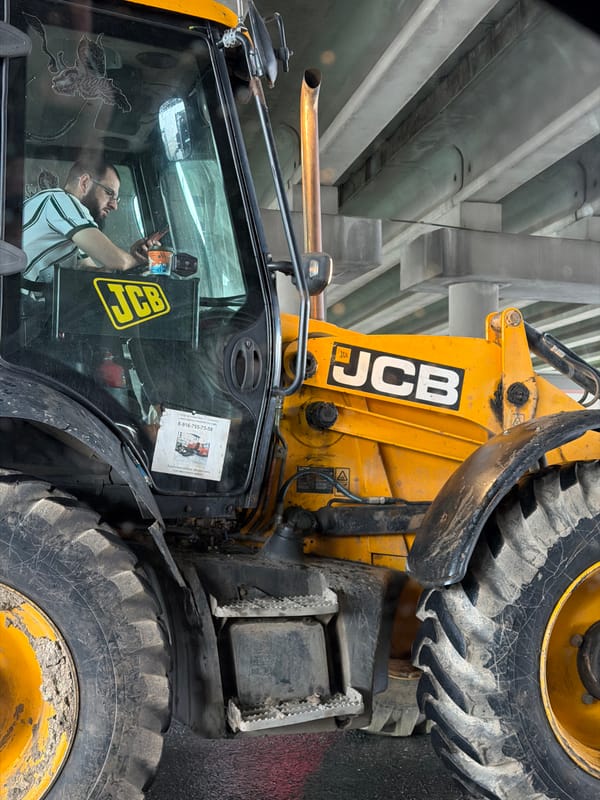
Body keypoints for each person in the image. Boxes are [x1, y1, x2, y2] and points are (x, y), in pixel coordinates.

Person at [22, 156, 165, 285]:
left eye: (116, 199)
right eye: (109, 193)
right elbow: (116, 261)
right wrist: (141, 261)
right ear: (84, 183)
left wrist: (134, 258)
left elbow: (88, 270)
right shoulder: (60, 201)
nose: (114, 206)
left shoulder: (68, 228)